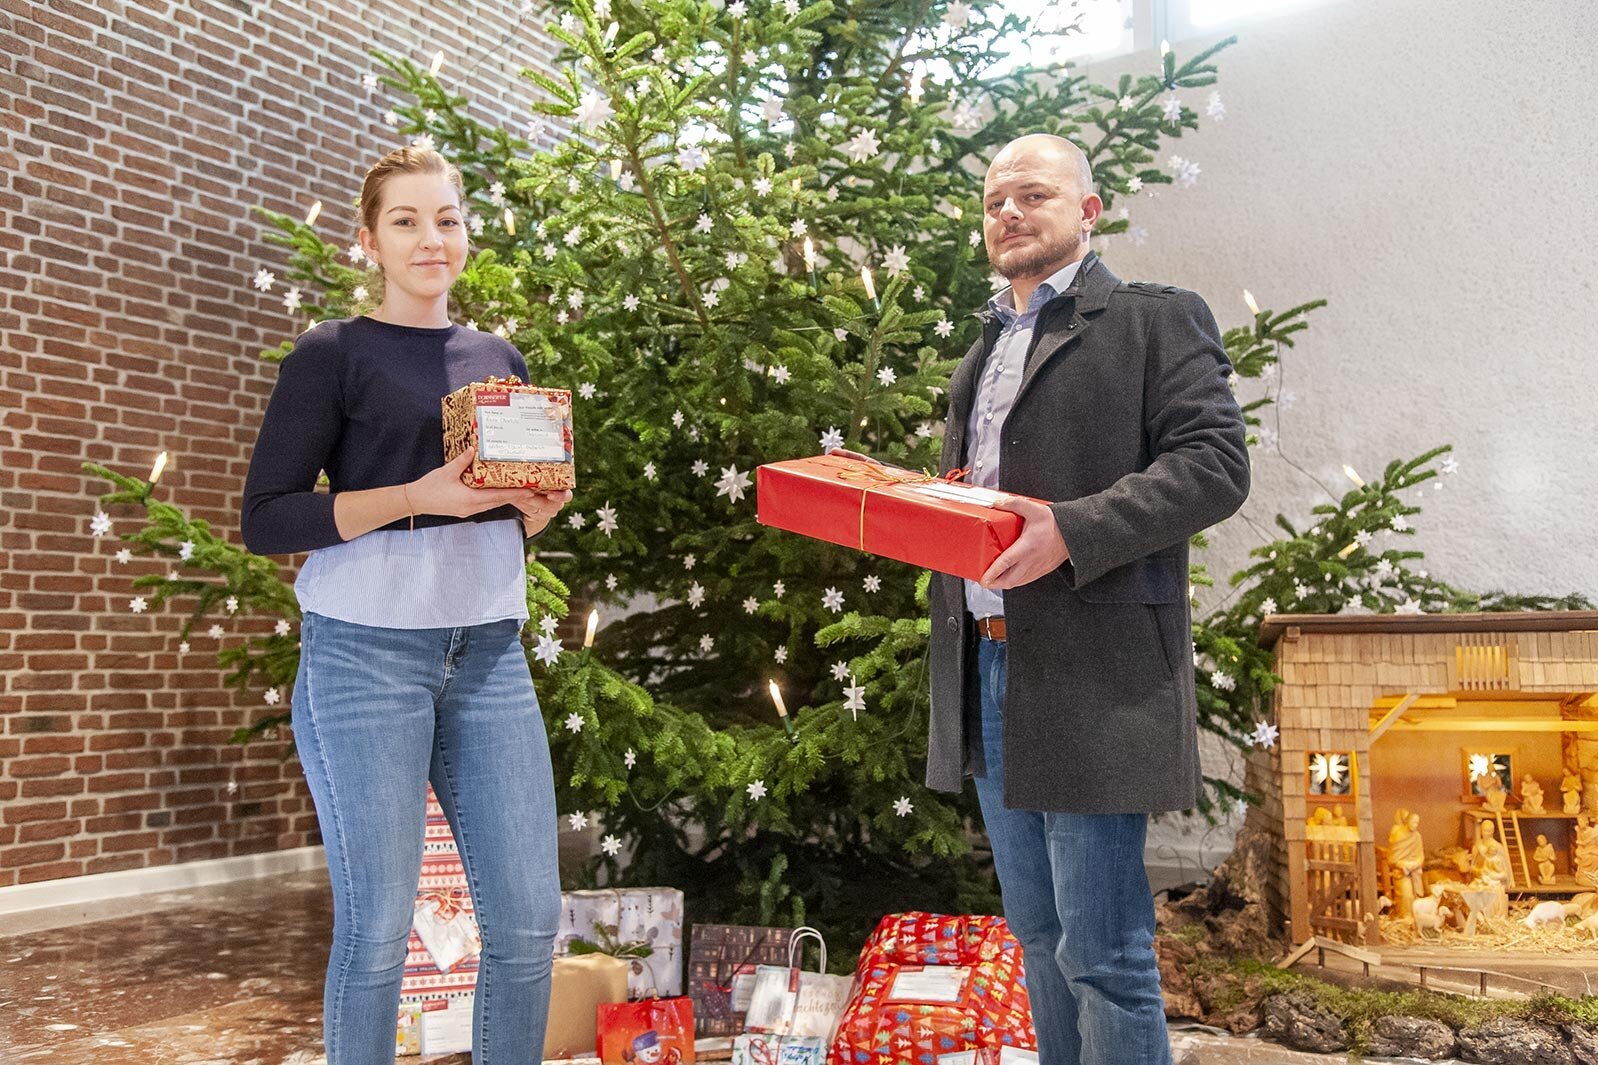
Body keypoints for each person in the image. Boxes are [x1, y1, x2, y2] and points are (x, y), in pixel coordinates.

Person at [916, 133, 1249, 1065]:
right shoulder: (983, 348)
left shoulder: (1154, 320)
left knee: (1104, 951)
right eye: (993, 202)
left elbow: (1216, 466)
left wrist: (1071, 528)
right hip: (985, 659)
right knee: (1039, 942)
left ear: (1089, 211)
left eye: (1033, 195)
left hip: (1096, 673)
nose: (1009, 213)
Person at [241, 146, 571, 1064]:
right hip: (362, 658)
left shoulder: (497, 357)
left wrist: (534, 511)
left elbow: (497, 503)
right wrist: (417, 495)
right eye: (407, 221)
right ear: (369, 242)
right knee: (380, 926)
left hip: (490, 652)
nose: (433, 238)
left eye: (448, 219)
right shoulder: (330, 355)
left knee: (528, 921)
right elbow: (266, 518)